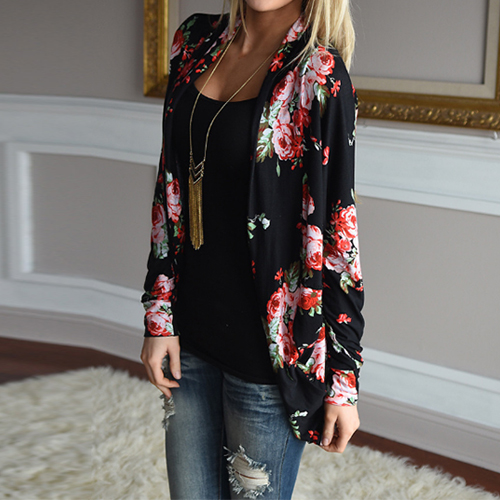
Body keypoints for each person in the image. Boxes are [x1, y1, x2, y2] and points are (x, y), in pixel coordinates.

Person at [140, 0, 364, 498]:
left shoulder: (319, 74)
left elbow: (339, 234)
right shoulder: (193, 42)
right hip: (189, 336)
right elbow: (169, 187)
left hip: (268, 358)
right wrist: (159, 314)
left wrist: (343, 381)